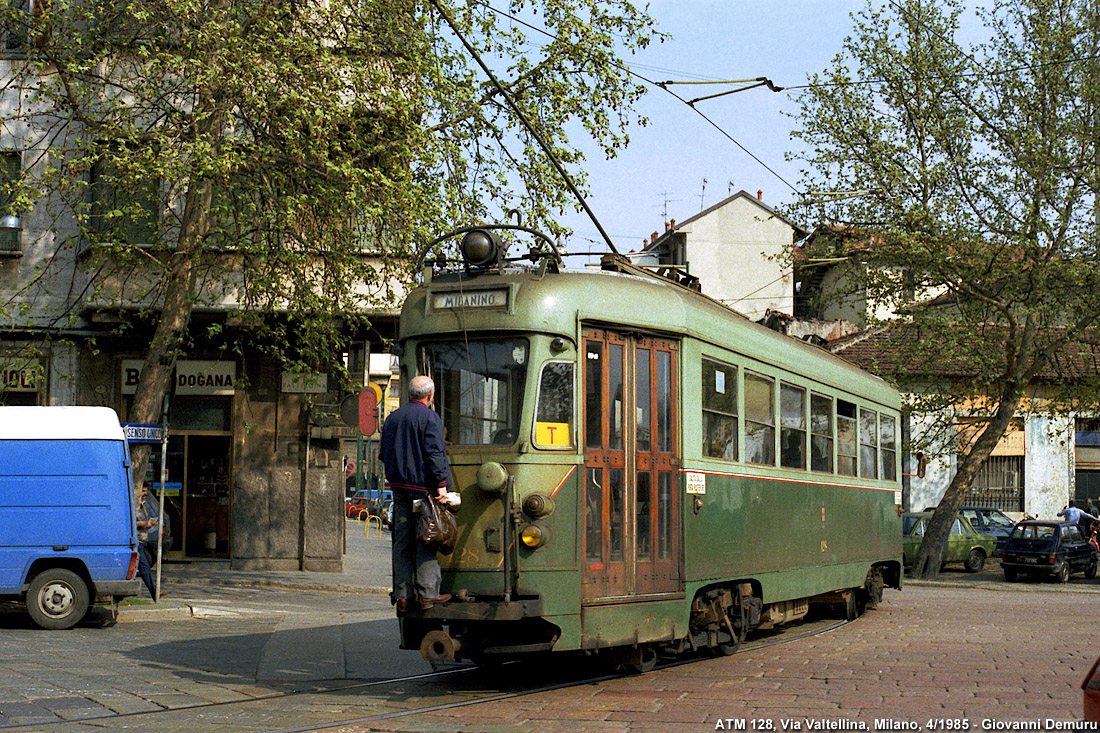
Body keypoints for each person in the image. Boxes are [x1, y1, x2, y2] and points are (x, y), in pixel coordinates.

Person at [380, 375, 452, 612]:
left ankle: (402, 594)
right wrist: (441, 485)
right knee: (426, 538)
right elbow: (434, 454)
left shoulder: (393, 418)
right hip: (422, 490)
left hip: (399, 489)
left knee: (402, 540)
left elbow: (383, 454)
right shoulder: (429, 418)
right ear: (430, 395)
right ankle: (427, 594)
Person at [135, 486, 158, 600]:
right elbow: (132, 522)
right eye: (143, 491)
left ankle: (154, 592)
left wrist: (151, 523)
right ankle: (154, 593)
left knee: (143, 568)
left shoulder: (144, 505)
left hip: (143, 540)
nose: (145, 493)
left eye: (146, 491)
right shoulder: (135, 507)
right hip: (137, 541)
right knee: (144, 568)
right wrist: (145, 523)